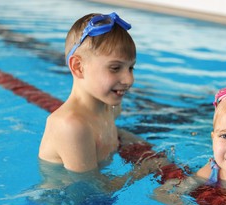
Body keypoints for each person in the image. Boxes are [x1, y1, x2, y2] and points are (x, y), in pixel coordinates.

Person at [39, 12, 165, 177]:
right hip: (64, 200)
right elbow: (89, 192)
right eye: (115, 68)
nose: (129, 79)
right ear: (78, 67)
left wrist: (142, 147)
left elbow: (113, 134)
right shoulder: (71, 126)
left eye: (131, 68)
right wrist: (141, 171)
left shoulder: (111, 108)